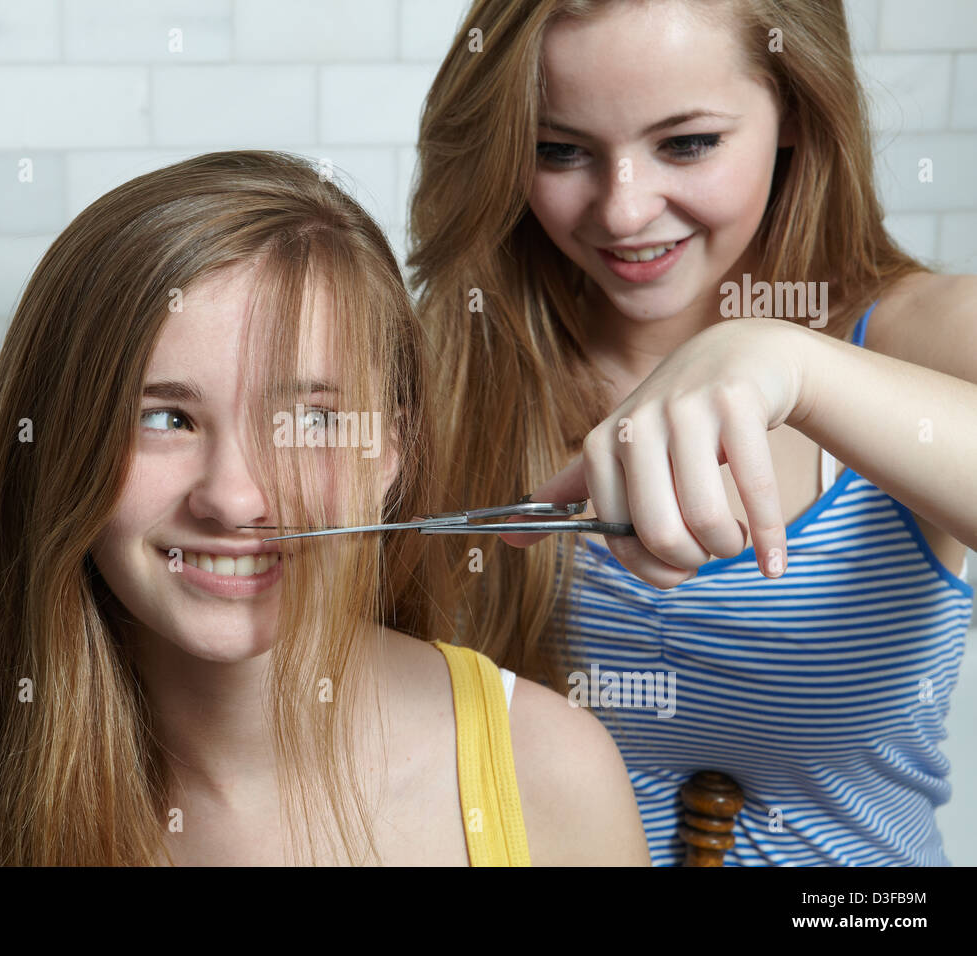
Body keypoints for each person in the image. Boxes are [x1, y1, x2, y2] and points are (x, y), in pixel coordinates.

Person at [0, 150, 648, 866]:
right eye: (164, 418)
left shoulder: (551, 771)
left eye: (308, 421)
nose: (234, 499)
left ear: (389, 450)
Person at [409, 0, 976, 864]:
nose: (625, 211)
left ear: (795, 110)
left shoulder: (919, 331)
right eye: (560, 150)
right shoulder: (451, 360)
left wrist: (796, 364)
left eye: (687, 144)